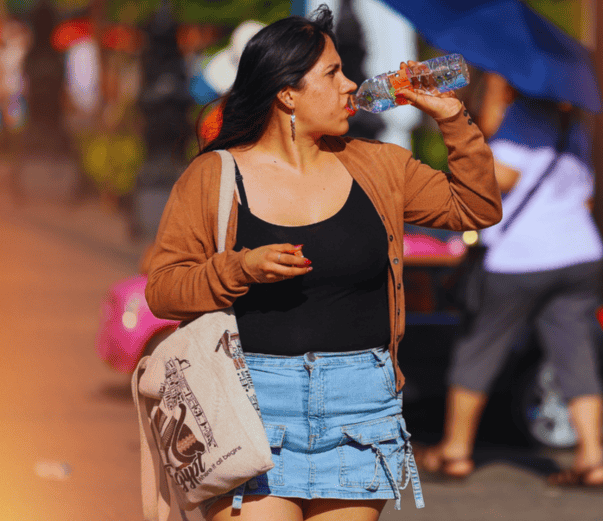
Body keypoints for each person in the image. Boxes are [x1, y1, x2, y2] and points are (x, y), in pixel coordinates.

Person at [144, 7, 501, 521]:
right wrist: (239, 270)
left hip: (360, 409)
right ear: (288, 93)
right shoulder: (214, 176)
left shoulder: (378, 165)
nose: (351, 84)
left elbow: (476, 207)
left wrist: (453, 120)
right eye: (333, 73)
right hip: (249, 407)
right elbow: (165, 288)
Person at [418, 74, 603, 488]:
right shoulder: (572, 126)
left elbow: (497, 180)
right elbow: (587, 195)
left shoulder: (520, 120)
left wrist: (471, 148)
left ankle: (454, 452)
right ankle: (592, 459)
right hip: (580, 252)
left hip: (522, 257)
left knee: (480, 348)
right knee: (575, 353)